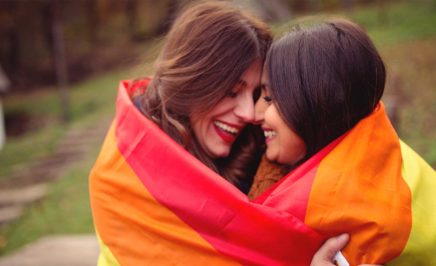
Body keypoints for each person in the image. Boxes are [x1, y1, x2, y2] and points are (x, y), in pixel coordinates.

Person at [90, 2, 358, 265]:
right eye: (231, 92)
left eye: (256, 95)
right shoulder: (122, 177)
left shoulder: (269, 157)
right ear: (192, 83)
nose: (249, 113)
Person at [251, 18, 436, 265]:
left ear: (315, 105)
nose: (255, 114)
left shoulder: (354, 217)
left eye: (269, 97)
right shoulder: (385, 155)